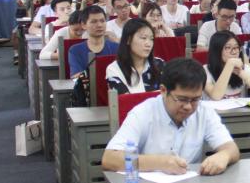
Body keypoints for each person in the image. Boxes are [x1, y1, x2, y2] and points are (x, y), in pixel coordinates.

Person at [102, 58, 240, 176]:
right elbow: (110, 159)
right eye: (182, 99)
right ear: (163, 91)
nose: (188, 106)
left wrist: (224, 155)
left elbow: (232, 148)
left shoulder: (204, 112)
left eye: (195, 99)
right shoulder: (143, 113)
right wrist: (161, 162)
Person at [105, 18, 163, 95]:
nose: (148, 44)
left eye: (151, 39)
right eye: (143, 38)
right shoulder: (114, 69)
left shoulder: (159, 64)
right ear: (128, 40)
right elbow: (125, 100)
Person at [204, 31, 250, 100]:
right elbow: (216, 96)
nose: (234, 52)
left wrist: (242, 73)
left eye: (236, 47)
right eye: (228, 47)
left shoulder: (245, 68)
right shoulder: (206, 70)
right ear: (217, 51)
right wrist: (229, 65)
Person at [67, 6, 119, 78]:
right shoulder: (75, 50)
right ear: (83, 25)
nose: (99, 25)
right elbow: (76, 77)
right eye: (94, 22)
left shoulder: (117, 48)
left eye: (102, 21)